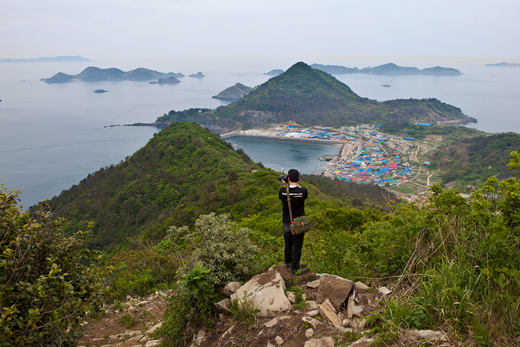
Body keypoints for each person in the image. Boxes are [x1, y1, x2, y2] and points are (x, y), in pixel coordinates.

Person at [279, 169, 308, 274]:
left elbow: (286, 194)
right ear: (299, 178)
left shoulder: (282, 191)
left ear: (288, 178)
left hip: (287, 222)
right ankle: (295, 267)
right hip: (298, 223)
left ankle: (288, 262)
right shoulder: (303, 191)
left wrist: (287, 184)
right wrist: (292, 183)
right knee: (297, 245)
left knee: (288, 243)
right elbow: (299, 191)